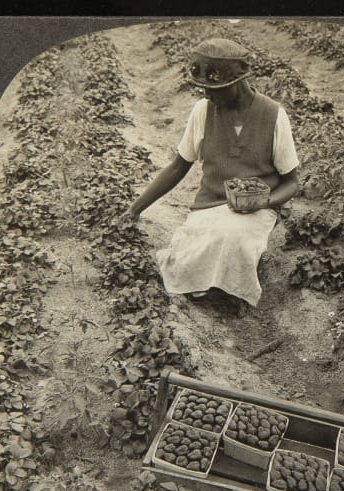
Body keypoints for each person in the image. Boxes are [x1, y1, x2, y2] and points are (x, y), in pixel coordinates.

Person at [127, 37, 300, 314]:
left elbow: (291, 182)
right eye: (203, 88)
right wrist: (135, 209)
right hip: (209, 204)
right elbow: (177, 167)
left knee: (233, 237)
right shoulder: (202, 111)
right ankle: (213, 286)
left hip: (254, 211)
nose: (207, 95)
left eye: (214, 89)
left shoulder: (274, 116)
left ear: (237, 82)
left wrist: (263, 201)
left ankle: (231, 294)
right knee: (187, 252)